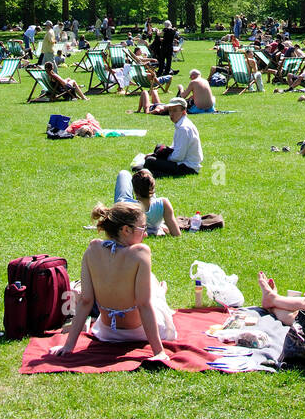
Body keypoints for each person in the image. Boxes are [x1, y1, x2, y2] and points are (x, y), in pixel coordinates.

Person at [51, 201, 175, 360]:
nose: (145, 234)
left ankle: (160, 292)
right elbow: (144, 304)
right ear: (126, 230)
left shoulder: (93, 249)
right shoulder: (140, 253)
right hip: (139, 332)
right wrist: (159, 352)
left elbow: (86, 301)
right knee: (152, 281)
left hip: (107, 332)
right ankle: (161, 293)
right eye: (142, 228)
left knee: (149, 284)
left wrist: (68, 346)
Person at [136, 98, 202, 178]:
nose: (171, 114)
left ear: (183, 112)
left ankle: (152, 172)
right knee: (156, 151)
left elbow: (178, 157)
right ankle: (150, 171)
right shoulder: (182, 124)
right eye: (170, 111)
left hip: (187, 167)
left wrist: (162, 157)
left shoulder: (183, 128)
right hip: (185, 164)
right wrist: (156, 155)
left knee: (150, 161)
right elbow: (175, 148)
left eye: (175, 110)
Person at [113, 167, 181, 237]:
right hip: (154, 221)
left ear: (135, 192)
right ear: (153, 188)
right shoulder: (164, 203)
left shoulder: (126, 206)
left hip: (130, 206)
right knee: (145, 171)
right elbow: (176, 234)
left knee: (124, 173)